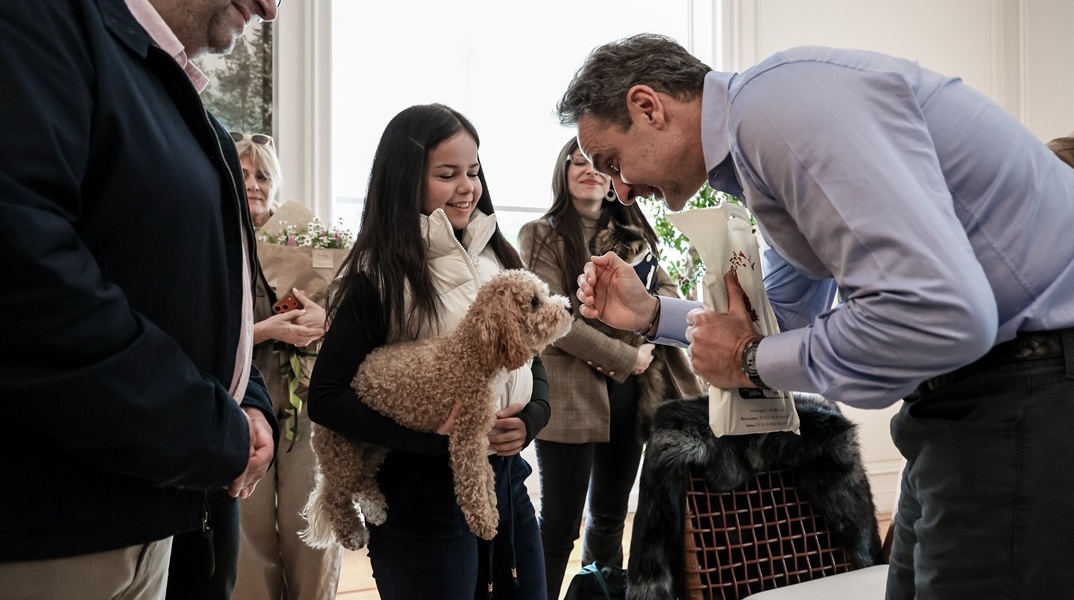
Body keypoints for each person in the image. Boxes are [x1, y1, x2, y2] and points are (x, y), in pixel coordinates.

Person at [557, 33, 1074, 599]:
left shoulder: (778, 114)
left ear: (648, 106)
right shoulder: (763, 137)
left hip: (1027, 389)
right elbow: (785, 317)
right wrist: (654, 313)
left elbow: (940, 311)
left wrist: (748, 359)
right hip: (969, 401)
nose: (623, 192)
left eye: (613, 163)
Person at [0, 1, 281, 600]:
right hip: (57, 530)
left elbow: (209, 289)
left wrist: (248, 400)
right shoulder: (39, 24)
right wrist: (213, 429)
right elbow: (30, 284)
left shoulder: (170, 91)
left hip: (154, 513)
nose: (271, 9)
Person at [307, 103, 549, 600]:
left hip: (505, 483)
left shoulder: (497, 256)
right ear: (405, 178)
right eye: (447, 174)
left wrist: (533, 419)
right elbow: (327, 396)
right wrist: (428, 441)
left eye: (474, 171)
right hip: (420, 498)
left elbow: (532, 359)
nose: (467, 187)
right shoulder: (378, 278)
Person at [517, 138, 701, 598]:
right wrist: (627, 356)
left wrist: (659, 319)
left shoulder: (635, 231)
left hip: (634, 395)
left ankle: (597, 594)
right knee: (558, 525)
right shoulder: (539, 235)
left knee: (610, 516)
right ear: (562, 172)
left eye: (597, 164)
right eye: (576, 161)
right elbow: (553, 321)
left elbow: (666, 293)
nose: (589, 170)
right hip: (570, 395)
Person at [230, 132, 343, 600]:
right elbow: (206, 333)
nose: (254, 184)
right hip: (240, 395)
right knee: (246, 527)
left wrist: (325, 316)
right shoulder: (214, 238)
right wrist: (269, 331)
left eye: (263, 175)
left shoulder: (303, 240)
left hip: (307, 398)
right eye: (244, 173)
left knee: (310, 516)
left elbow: (348, 319)